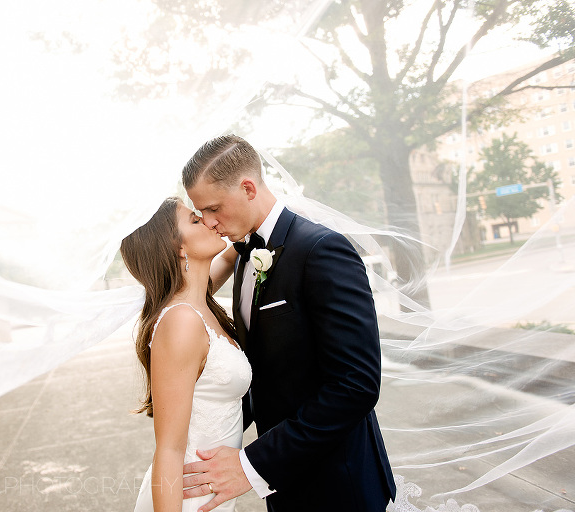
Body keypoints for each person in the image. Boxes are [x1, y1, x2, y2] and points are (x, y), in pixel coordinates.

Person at [180, 135, 396, 511]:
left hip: (340, 485)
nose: (210, 223)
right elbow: (268, 372)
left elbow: (356, 384)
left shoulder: (321, 250)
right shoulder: (245, 256)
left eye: (214, 208)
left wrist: (250, 466)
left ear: (248, 188)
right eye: (201, 213)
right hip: (286, 488)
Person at [121, 197, 252, 512]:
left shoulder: (199, 303)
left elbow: (222, 261)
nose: (208, 221)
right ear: (179, 248)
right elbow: (168, 450)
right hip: (189, 499)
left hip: (212, 491)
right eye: (195, 220)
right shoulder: (182, 321)